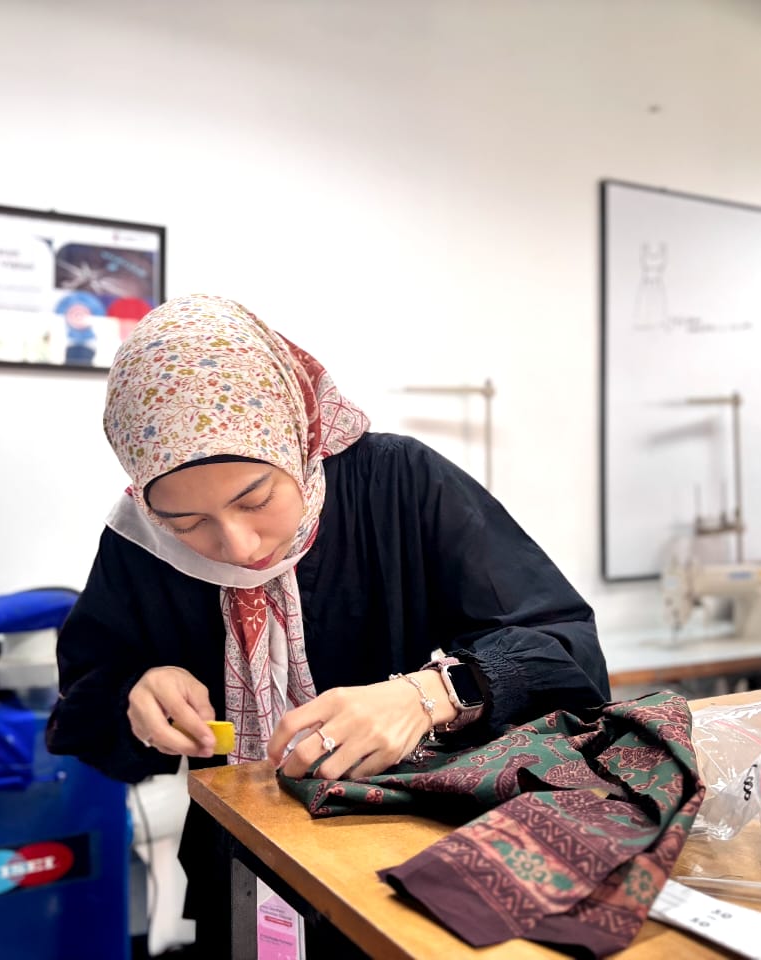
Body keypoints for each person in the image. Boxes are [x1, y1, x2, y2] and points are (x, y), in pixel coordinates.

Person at [45, 293, 609, 952]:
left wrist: (430, 695)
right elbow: (84, 699)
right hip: (242, 859)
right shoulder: (142, 544)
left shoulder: (399, 482)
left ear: (297, 438)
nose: (238, 546)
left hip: (415, 856)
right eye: (188, 522)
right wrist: (136, 693)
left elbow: (565, 650)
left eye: (256, 499)